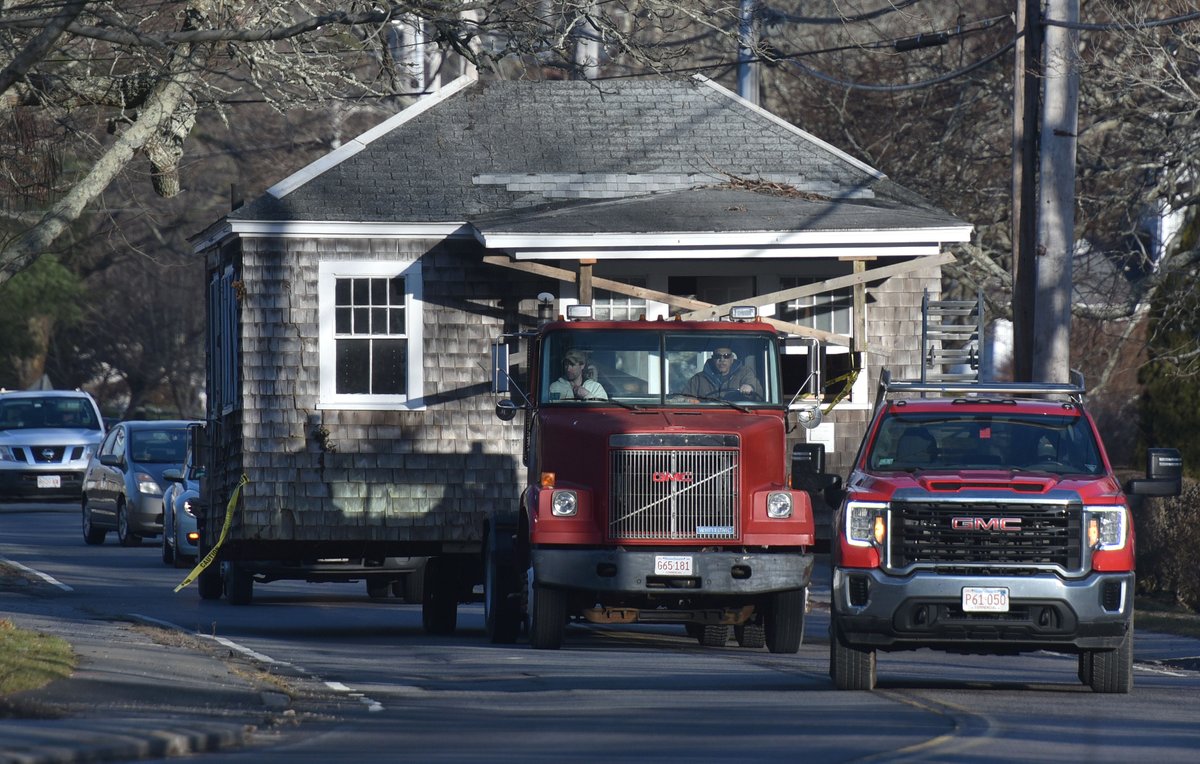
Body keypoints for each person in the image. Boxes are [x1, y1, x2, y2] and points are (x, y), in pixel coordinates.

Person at [681, 347, 762, 400]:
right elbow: (684, 398)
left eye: (726, 356)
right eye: (718, 356)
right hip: (706, 419)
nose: (722, 359)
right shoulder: (698, 379)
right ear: (713, 359)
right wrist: (686, 400)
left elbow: (759, 392)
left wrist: (750, 387)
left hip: (737, 416)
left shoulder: (745, 373)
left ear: (732, 359)